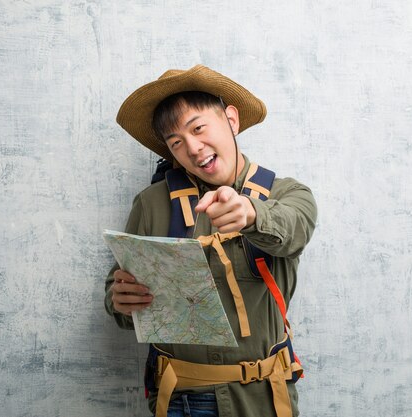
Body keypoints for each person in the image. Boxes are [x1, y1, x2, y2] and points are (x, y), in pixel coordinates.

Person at [104, 64, 317, 417]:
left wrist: (251, 214)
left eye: (198, 128)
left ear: (231, 119)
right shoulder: (151, 204)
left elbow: (295, 229)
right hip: (180, 400)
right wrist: (121, 301)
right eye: (176, 142)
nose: (193, 147)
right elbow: (120, 297)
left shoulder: (287, 193)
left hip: (263, 399)